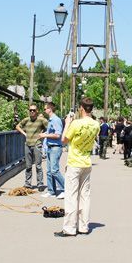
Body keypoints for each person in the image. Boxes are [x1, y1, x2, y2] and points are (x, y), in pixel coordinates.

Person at [54, 97, 100, 237]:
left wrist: (67, 123)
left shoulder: (75, 123)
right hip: (86, 162)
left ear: (81, 108)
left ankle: (69, 228)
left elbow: (63, 140)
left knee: (71, 196)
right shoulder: (96, 124)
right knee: (85, 196)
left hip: (74, 163)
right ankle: (83, 226)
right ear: (91, 108)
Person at [16, 104, 48, 190]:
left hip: (37, 145)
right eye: (30, 110)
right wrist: (24, 133)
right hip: (27, 145)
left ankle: (40, 184)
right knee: (28, 166)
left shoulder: (41, 120)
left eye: (34, 110)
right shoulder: (26, 120)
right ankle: (27, 184)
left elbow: (49, 127)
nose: (32, 112)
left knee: (38, 166)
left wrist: (43, 134)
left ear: (37, 111)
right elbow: (17, 126)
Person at [39, 102, 65, 199]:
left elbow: (58, 135)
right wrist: (45, 133)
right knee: (49, 171)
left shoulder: (55, 120)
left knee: (54, 170)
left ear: (49, 109)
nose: (44, 110)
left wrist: (45, 135)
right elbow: (52, 132)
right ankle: (51, 191)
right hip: (50, 147)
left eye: (45, 109)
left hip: (55, 147)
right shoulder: (50, 120)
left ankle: (65, 189)